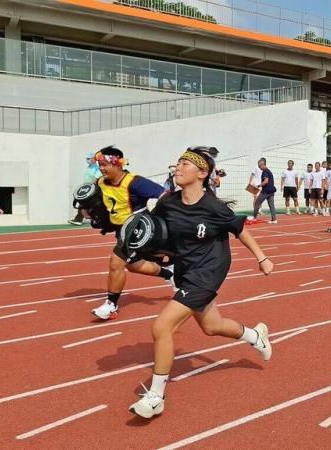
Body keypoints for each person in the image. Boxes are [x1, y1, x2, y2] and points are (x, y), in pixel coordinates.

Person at [128, 146, 274, 419]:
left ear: (202, 173)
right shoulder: (168, 203)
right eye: (178, 163)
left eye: (185, 164)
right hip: (184, 269)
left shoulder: (213, 206)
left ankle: (156, 396)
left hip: (209, 271)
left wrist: (262, 258)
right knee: (211, 326)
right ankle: (255, 335)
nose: (178, 168)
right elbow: (157, 233)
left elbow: (240, 229)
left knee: (162, 326)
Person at [89, 146, 170, 321]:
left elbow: (165, 195)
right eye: (99, 165)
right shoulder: (100, 182)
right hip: (121, 231)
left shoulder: (135, 182)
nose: (101, 168)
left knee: (116, 262)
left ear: (117, 164)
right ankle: (170, 274)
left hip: (138, 228)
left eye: (104, 164)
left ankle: (111, 305)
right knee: (133, 265)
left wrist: (160, 218)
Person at [69, 152, 103, 225]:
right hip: (87, 188)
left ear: (94, 159)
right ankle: (79, 219)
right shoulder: (89, 167)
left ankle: (79, 219)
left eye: (89, 158)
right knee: (84, 204)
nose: (87, 160)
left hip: (93, 189)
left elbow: (96, 179)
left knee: (86, 204)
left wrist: (91, 189)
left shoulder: (97, 168)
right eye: (87, 159)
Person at [252, 158, 277, 224]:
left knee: (257, 203)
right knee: (271, 205)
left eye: (260, 166)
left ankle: (254, 218)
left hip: (266, 191)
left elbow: (266, 181)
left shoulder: (265, 171)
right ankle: (274, 219)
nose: (259, 167)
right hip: (272, 191)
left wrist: (259, 185)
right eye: (258, 166)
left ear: (263, 164)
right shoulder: (269, 171)